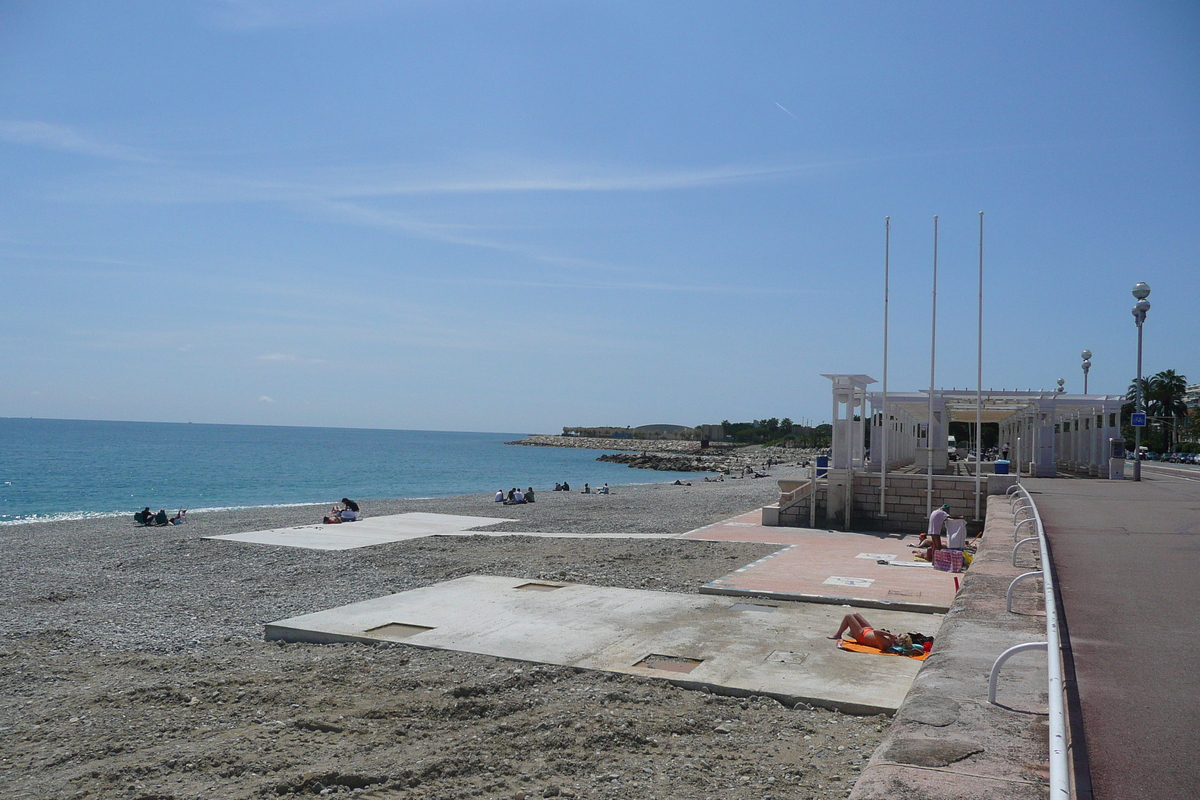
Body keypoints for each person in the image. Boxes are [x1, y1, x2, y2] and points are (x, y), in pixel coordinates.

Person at [829, 613, 898, 650]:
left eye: (898, 636)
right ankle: (852, 633)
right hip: (868, 630)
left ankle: (838, 634)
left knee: (848, 616)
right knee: (856, 614)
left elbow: (876, 632)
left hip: (861, 635)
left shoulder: (886, 644)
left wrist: (889, 635)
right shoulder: (889, 640)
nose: (896, 635)